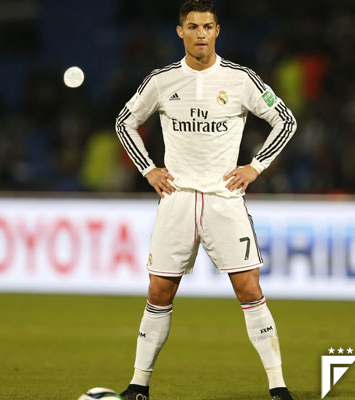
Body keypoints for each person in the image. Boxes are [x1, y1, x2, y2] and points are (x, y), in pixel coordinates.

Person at [115, 1, 297, 399]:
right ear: (180, 31)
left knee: (249, 288)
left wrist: (256, 166)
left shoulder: (240, 79)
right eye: (193, 26)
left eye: (208, 26)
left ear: (218, 31)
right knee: (159, 292)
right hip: (177, 198)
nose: (201, 33)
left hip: (223, 198)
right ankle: (138, 385)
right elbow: (124, 121)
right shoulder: (161, 80)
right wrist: (149, 169)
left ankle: (278, 387)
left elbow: (285, 120)